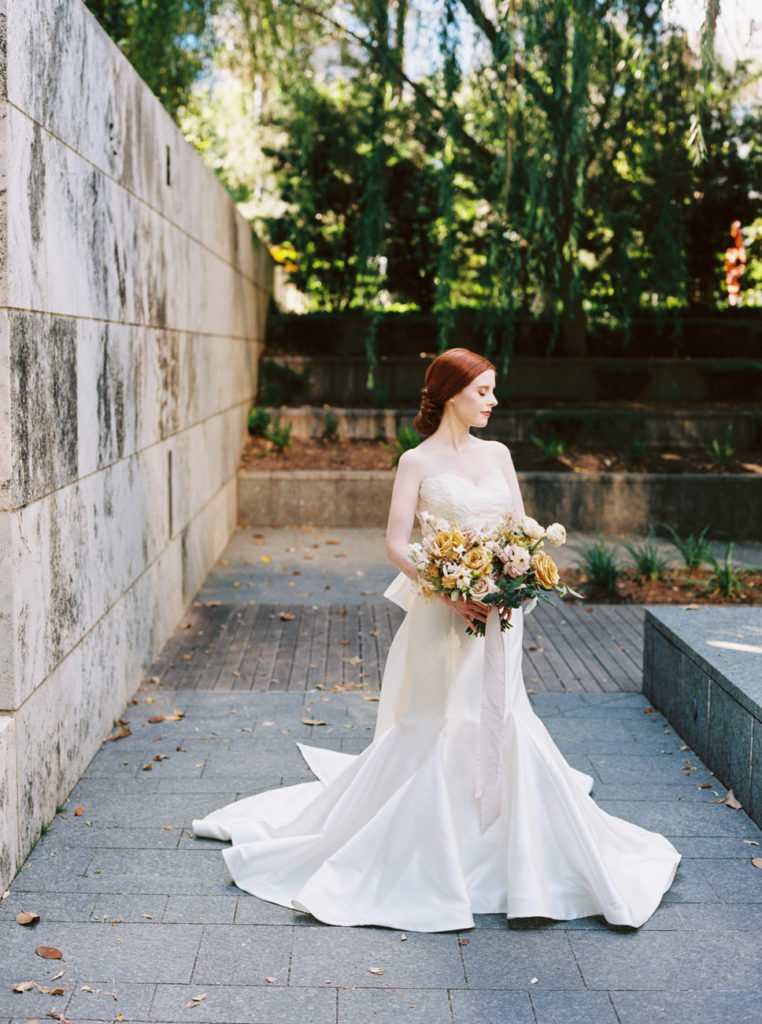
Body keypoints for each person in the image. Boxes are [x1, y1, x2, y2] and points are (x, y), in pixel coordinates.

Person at [193, 348, 680, 930]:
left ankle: (512, 848)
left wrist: (516, 576)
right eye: (484, 392)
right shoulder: (415, 462)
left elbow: (522, 529)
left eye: (493, 391)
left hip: (500, 611)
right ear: (452, 393)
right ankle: (435, 852)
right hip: (444, 610)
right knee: (446, 716)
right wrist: (448, 588)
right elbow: (397, 543)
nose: (493, 402)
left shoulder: (498, 453)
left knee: (501, 713)